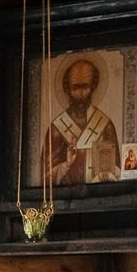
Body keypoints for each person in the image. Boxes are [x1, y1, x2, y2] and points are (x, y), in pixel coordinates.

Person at [45, 57, 122, 185]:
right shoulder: (56, 129)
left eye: (85, 87)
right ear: (67, 88)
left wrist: (107, 174)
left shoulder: (105, 125)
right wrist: (66, 164)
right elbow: (46, 179)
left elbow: (117, 171)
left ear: (93, 86)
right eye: (75, 88)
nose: (80, 94)